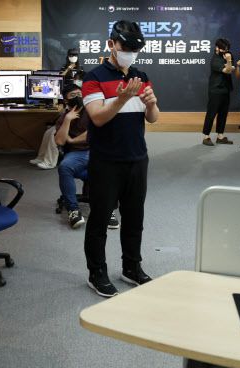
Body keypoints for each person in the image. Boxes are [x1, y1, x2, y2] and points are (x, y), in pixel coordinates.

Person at [82, 20, 159, 297]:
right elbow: (98, 118)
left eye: (135, 49)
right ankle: (96, 273)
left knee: (134, 218)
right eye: (125, 48)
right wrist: (121, 99)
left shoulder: (141, 75)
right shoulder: (93, 78)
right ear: (111, 44)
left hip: (137, 158)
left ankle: (131, 267)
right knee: (100, 220)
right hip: (106, 161)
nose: (130, 53)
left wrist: (151, 104)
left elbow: (153, 118)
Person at [55, 83, 120, 229]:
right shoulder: (63, 117)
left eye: (80, 94)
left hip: (96, 151)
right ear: (65, 100)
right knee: (65, 167)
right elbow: (59, 141)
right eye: (73, 95)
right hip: (76, 154)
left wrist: (72, 140)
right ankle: (73, 210)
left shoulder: (92, 112)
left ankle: (107, 210)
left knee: (108, 168)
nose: (78, 97)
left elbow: (93, 132)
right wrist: (67, 120)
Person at [202, 38, 235, 146]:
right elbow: (227, 70)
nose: (226, 51)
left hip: (226, 89)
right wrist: (229, 62)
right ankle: (206, 136)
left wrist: (229, 63)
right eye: (223, 49)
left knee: (223, 114)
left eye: (227, 49)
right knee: (211, 113)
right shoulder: (215, 60)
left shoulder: (228, 55)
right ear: (217, 48)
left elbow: (231, 69)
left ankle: (220, 136)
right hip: (216, 90)